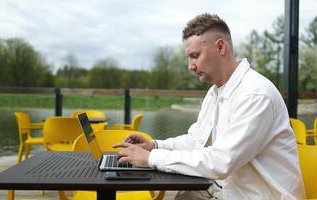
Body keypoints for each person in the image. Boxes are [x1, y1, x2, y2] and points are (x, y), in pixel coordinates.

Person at [113, 13, 305, 200]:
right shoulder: (215, 92)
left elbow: (221, 162)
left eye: (195, 56)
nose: (190, 65)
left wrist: (152, 158)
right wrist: (154, 146)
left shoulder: (255, 95)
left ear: (220, 47)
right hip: (222, 190)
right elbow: (195, 141)